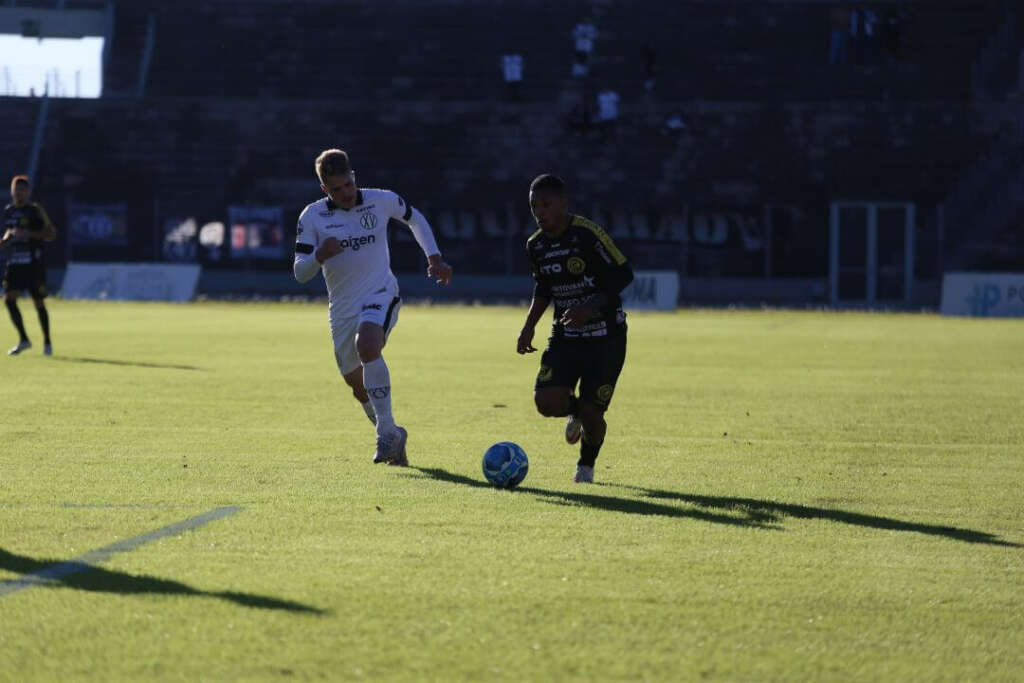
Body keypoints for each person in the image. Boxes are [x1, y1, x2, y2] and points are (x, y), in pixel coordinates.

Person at [293, 149, 453, 466]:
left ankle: (385, 434)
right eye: (336, 189)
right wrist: (319, 256)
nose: (346, 193)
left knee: (367, 345)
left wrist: (434, 257)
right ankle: (393, 433)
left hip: (381, 292)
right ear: (325, 190)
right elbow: (300, 272)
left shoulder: (380, 200)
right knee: (357, 385)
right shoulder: (312, 217)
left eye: (348, 185)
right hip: (342, 309)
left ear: (354, 177)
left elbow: (415, 218)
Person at [516, 174, 633, 483]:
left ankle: (586, 466)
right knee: (546, 402)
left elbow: (623, 274)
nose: (540, 212)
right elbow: (543, 287)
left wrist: (588, 307)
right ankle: (578, 411)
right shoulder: (536, 245)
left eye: (546, 205)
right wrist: (528, 327)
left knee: (595, 416)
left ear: (564, 204)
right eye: (534, 206)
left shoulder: (587, 234)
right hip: (566, 336)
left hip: (606, 338)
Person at [2, 175, 56, 356]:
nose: (18, 194)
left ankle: (47, 342)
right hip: (14, 263)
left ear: (28, 192)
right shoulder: (8, 211)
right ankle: (24, 339)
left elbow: (51, 234)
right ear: (12, 191)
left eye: (22, 190)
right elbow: (7, 236)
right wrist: (5, 240)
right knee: (9, 300)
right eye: (16, 190)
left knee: (38, 302)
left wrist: (29, 234)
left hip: (33, 263)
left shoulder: (34, 210)